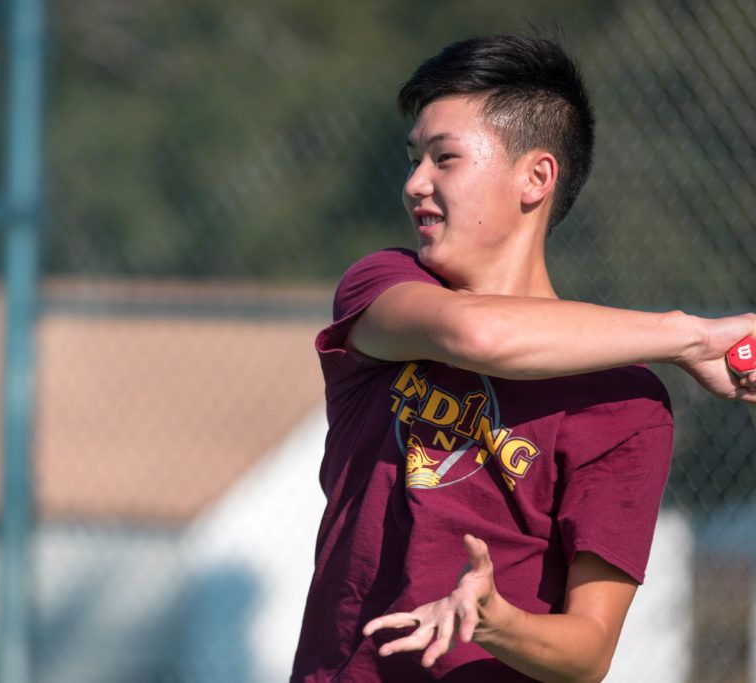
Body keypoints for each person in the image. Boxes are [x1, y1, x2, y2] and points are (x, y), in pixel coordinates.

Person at [289, 34, 756, 682]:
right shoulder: (382, 287)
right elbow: (481, 337)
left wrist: (495, 621)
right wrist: (690, 336)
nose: (414, 183)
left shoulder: (628, 404)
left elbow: (588, 650)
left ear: (535, 177)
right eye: (413, 158)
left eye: (443, 158)